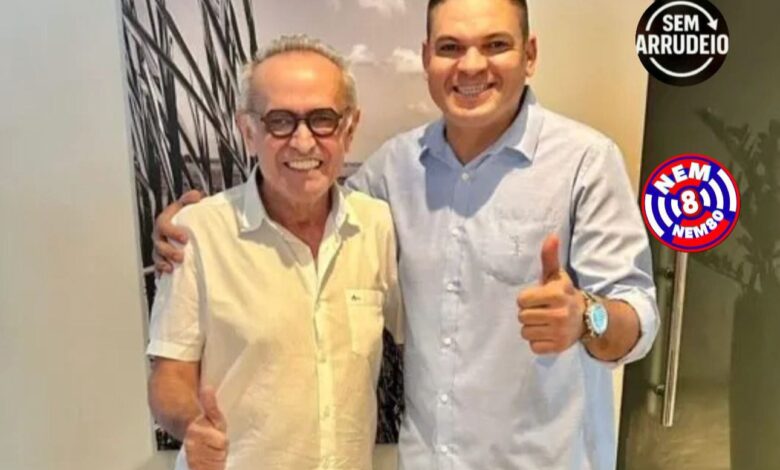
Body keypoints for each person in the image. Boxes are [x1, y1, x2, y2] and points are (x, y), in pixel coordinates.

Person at [155, 0, 659, 468]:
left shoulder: (585, 162)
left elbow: (637, 315)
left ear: (529, 54)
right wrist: (190, 225)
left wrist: (585, 317)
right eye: (450, 47)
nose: (471, 65)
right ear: (426, 58)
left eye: (495, 44)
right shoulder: (393, 168)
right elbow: (310, 200)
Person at [146, 35, 403, 470]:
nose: (302, 142)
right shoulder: (198, 232)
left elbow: (427, 332)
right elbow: (169, 377)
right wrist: (192, 425)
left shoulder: (376, 225)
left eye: (322, 119)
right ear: (249, 131)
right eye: (280, 121)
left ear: (349, 128)